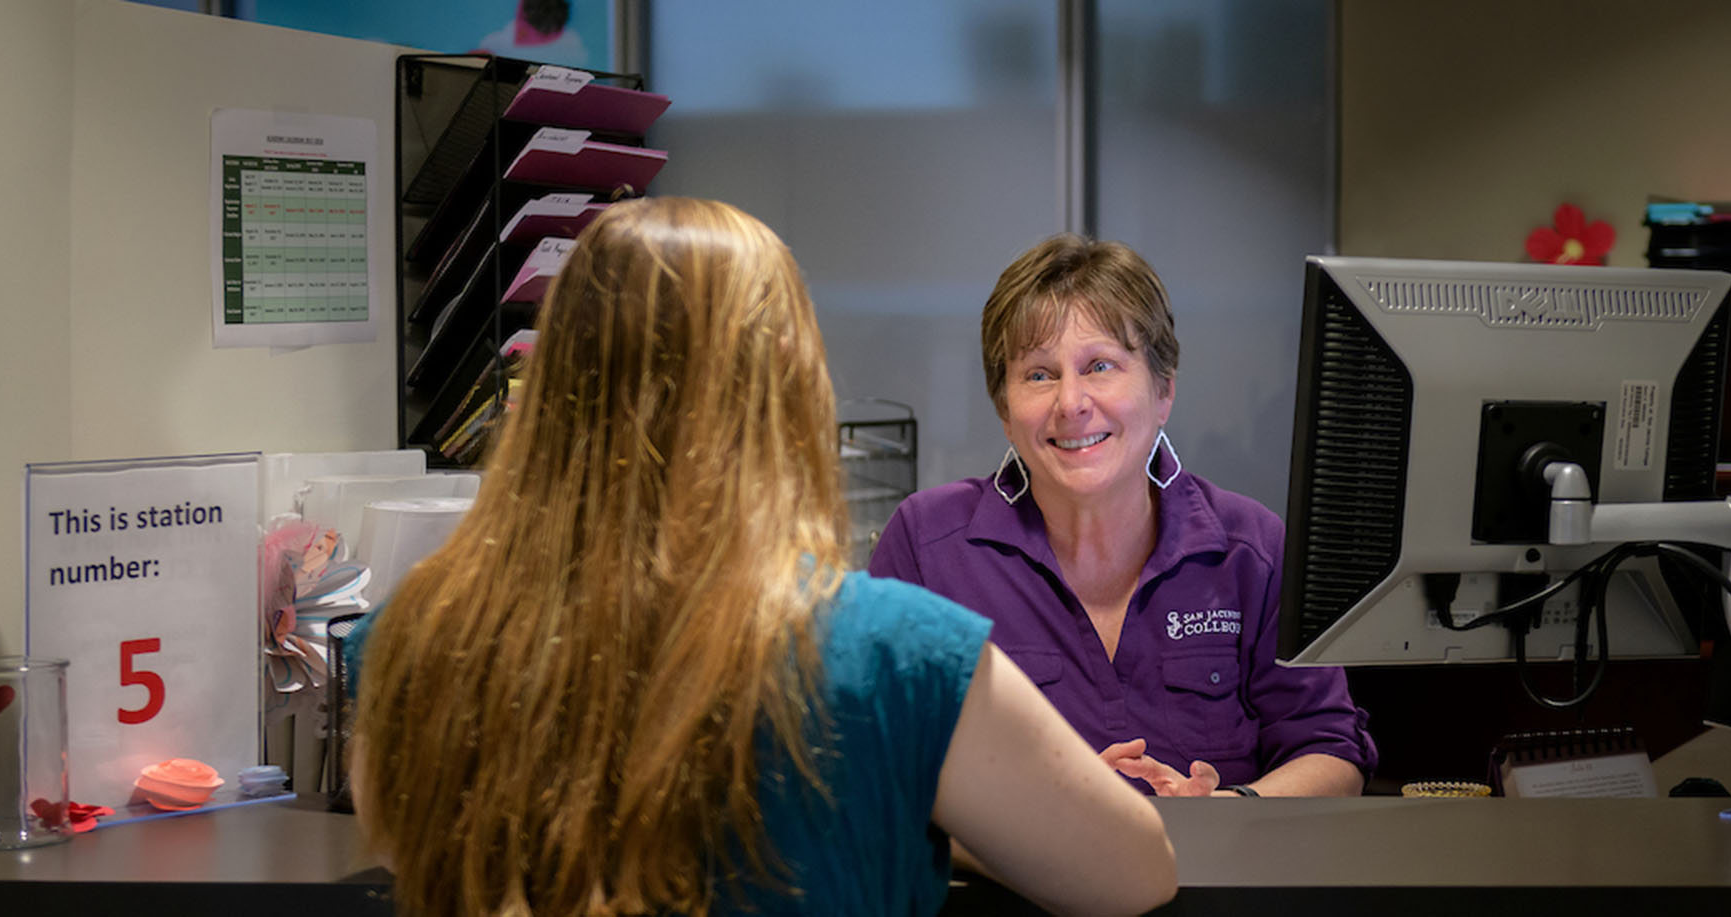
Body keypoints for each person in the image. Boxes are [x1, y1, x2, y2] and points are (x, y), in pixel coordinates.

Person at [349, 199, 1176, 916]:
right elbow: (1133, 875)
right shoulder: (901, 655)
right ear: (785, 385)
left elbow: (393, 838)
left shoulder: (411, 637)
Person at [869, 234, 1377, 798]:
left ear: (1163, 390)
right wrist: (1034, 810)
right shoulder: (928, 548)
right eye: (1039, 374)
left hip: (1218, 880)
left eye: (1101, 365)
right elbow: (871, 762)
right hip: (1006, 885)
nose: (1071, 403)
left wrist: (1231, 810)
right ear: (1005, 412)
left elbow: (1330, 750)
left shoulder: (1251, 550)